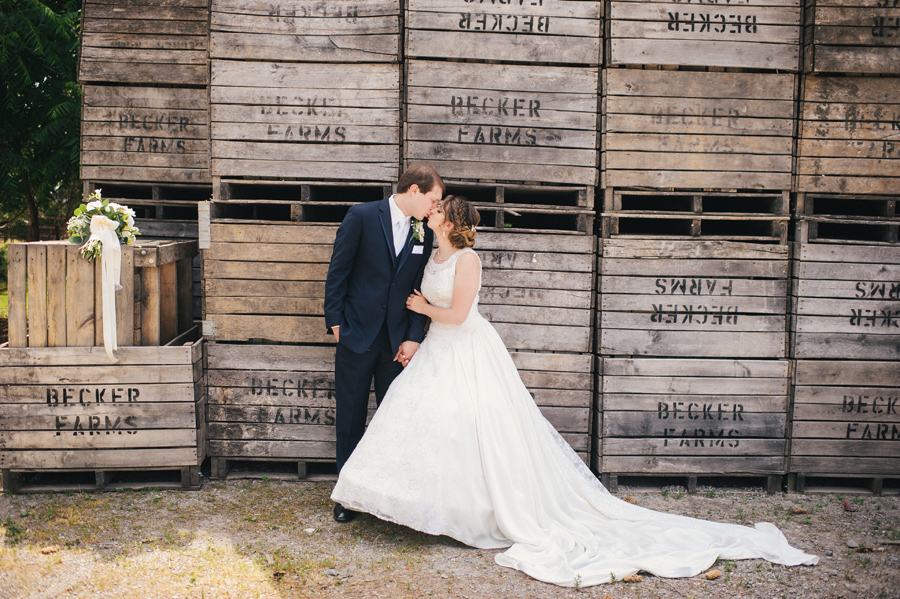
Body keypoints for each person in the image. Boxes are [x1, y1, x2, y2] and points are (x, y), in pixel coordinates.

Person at [331, 195, 818, 587]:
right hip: (436, 350)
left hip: (465, 347)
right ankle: (420, 502)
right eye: (432, 205)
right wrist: (414, 316)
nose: (432, 210)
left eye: (440, 208)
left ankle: (477, 509)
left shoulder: (468, 259)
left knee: (478, 426)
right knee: (430, 422)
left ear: (452, 220)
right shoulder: (431, 250)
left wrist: (423, 306)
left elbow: (458, 315)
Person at [324, 165, 444, 523]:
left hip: (396, 343)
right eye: (433, 200)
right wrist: (336, 324)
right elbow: (338, 271)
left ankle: (388, 497)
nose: (434, 208)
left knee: (394, 419)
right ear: (413, 191)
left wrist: (413, 335)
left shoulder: (423, 232)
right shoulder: (361, 216)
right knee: (350, 417)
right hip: (356, 335)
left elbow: (416, 287)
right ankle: (347, 497)